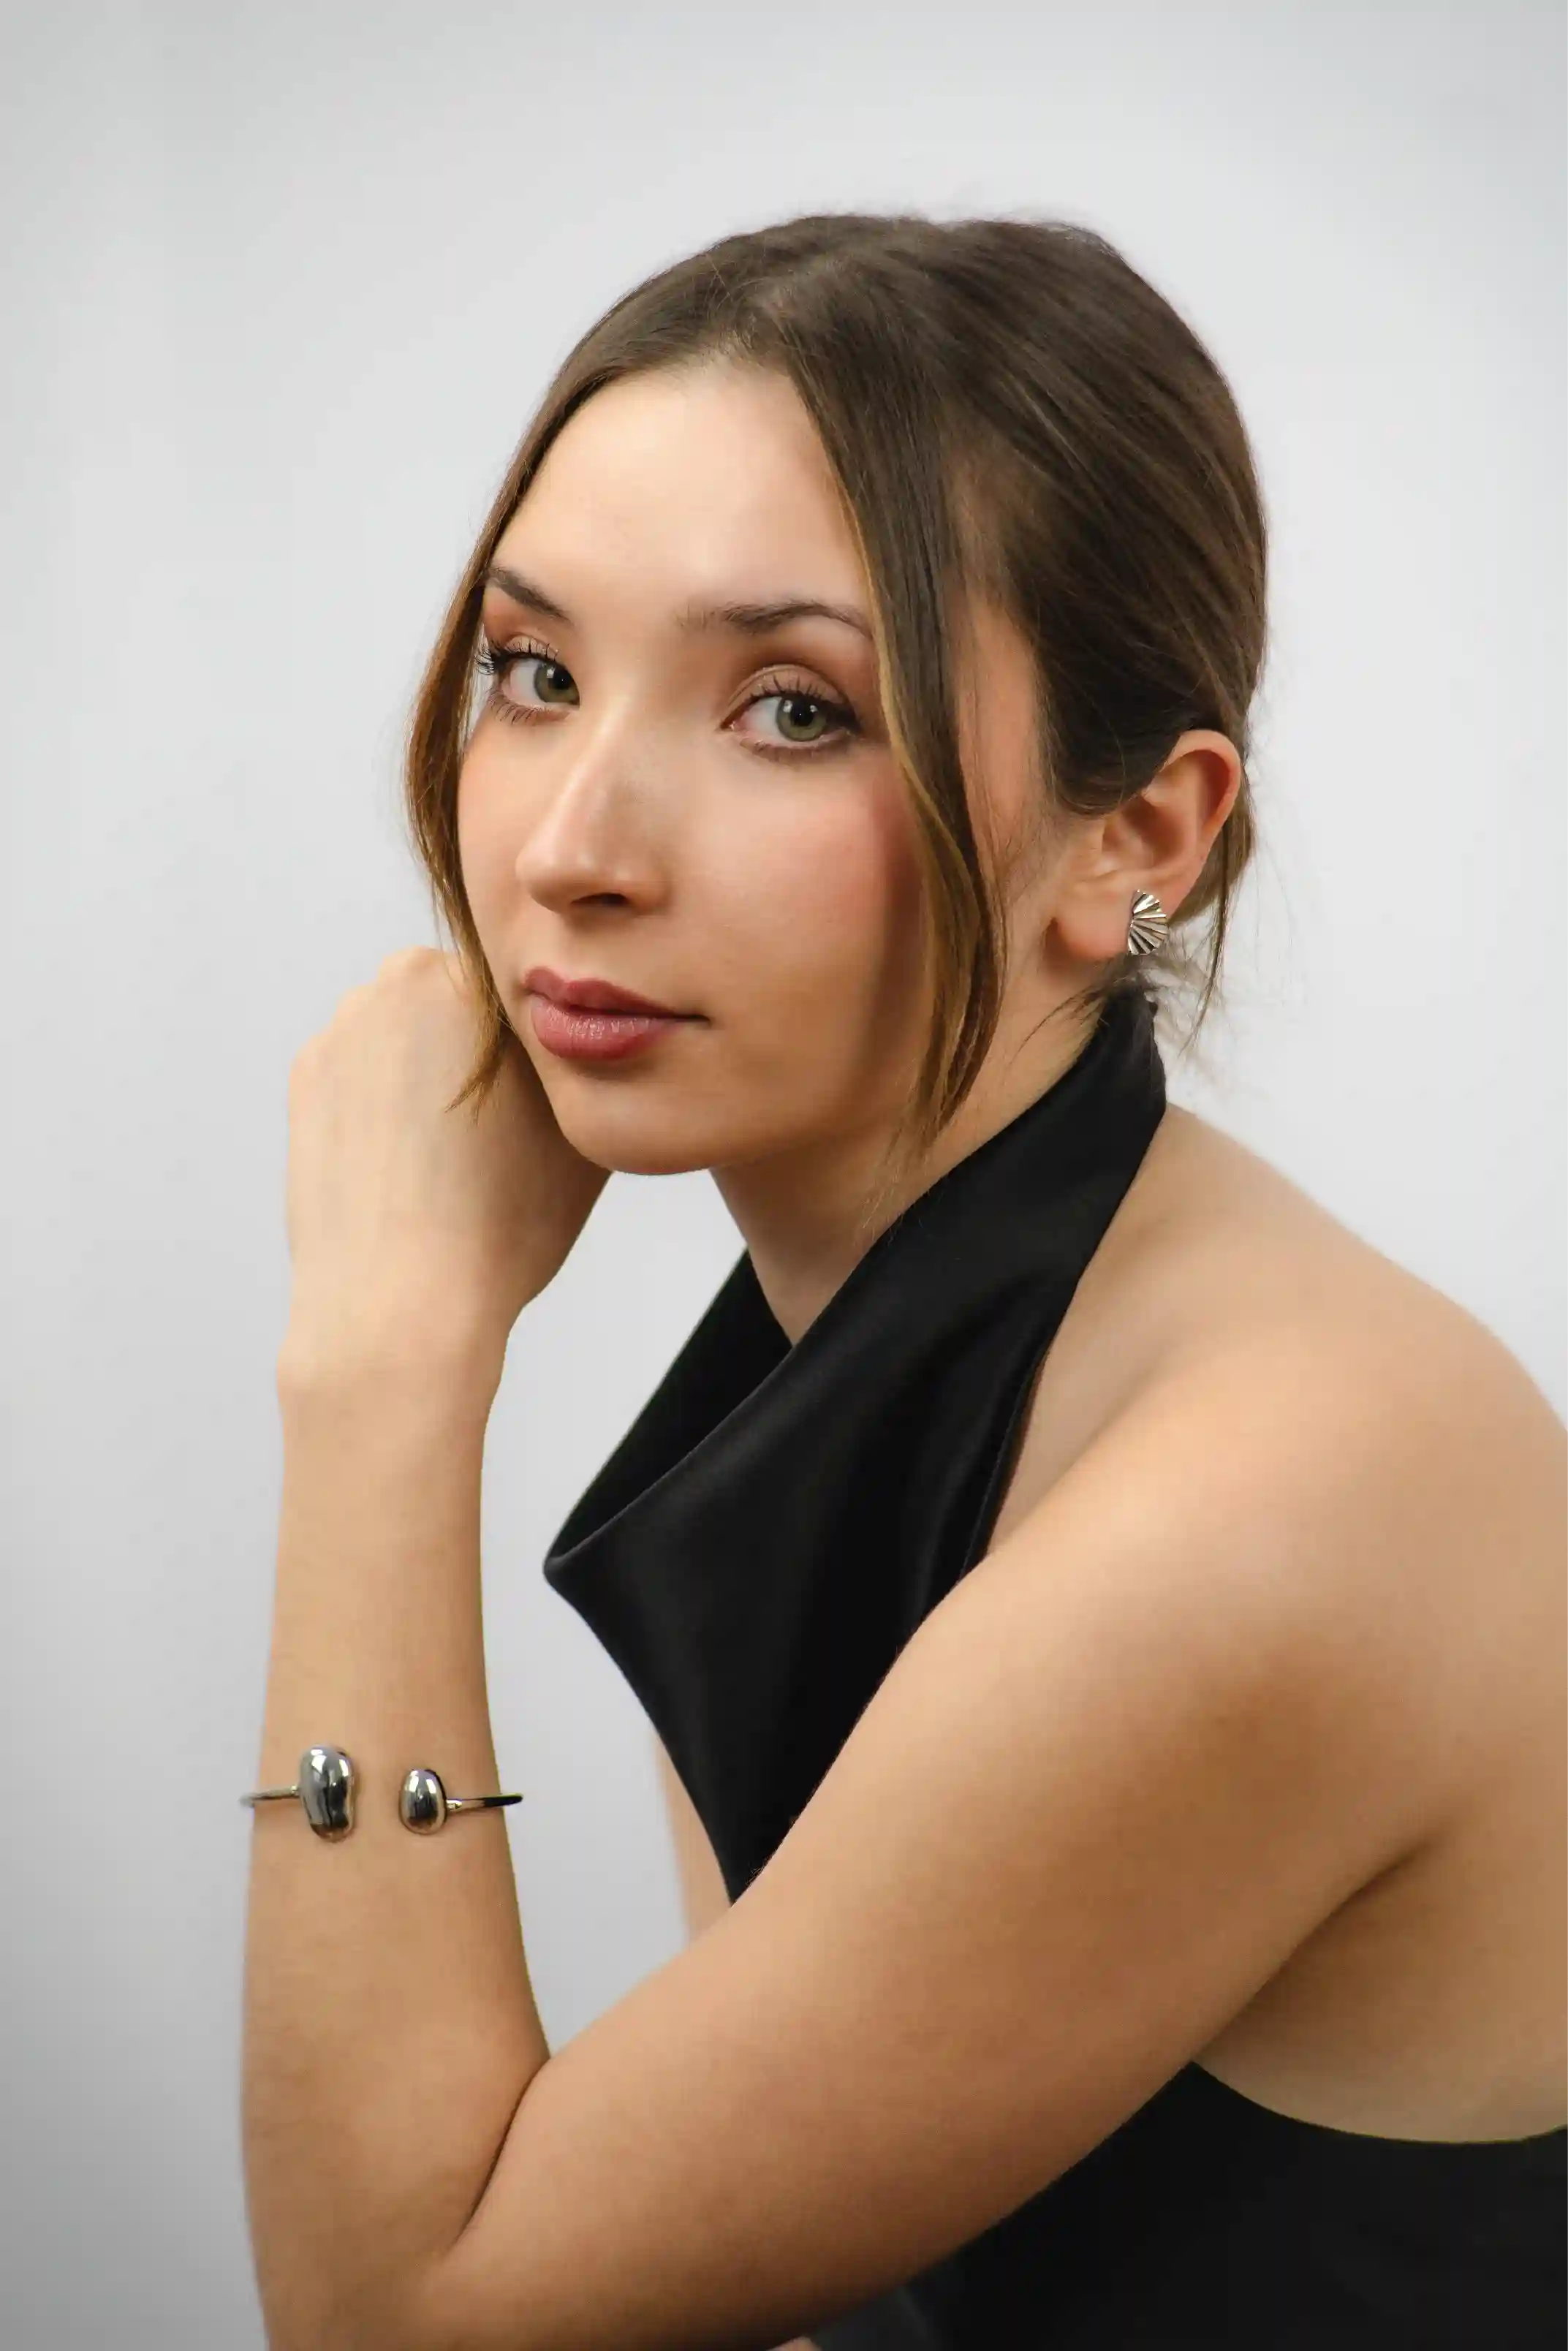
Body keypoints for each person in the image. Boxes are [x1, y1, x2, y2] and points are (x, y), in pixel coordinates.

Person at [243, 213, 1568, 2350]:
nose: (575, 840)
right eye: (537, 670)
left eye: (788, 708)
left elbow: (403, 2316)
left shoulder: (1278, 1499)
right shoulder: (903, 1323)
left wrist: (384, 1370)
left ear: (1139, 835)